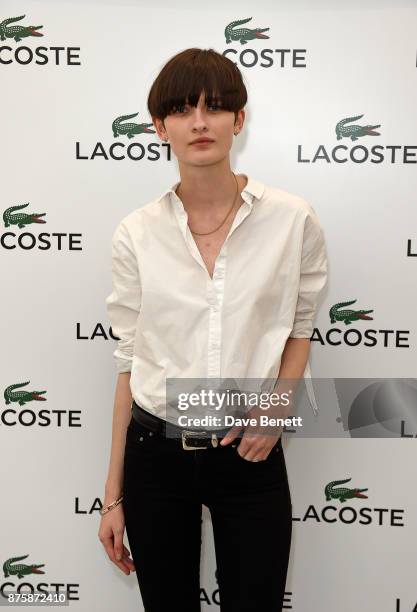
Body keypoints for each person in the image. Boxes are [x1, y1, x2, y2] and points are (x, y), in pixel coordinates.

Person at [98, 47, 328, 611]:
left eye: (215, 107)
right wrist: (112, 494)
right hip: (156, 453)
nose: (199, 122)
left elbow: (299, 327)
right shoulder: (136, 232)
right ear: (160, 127)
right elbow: (131, 360)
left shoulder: (291, 218)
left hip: (249, 449)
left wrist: (277, 407)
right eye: (181, 110)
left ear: (239, 120)